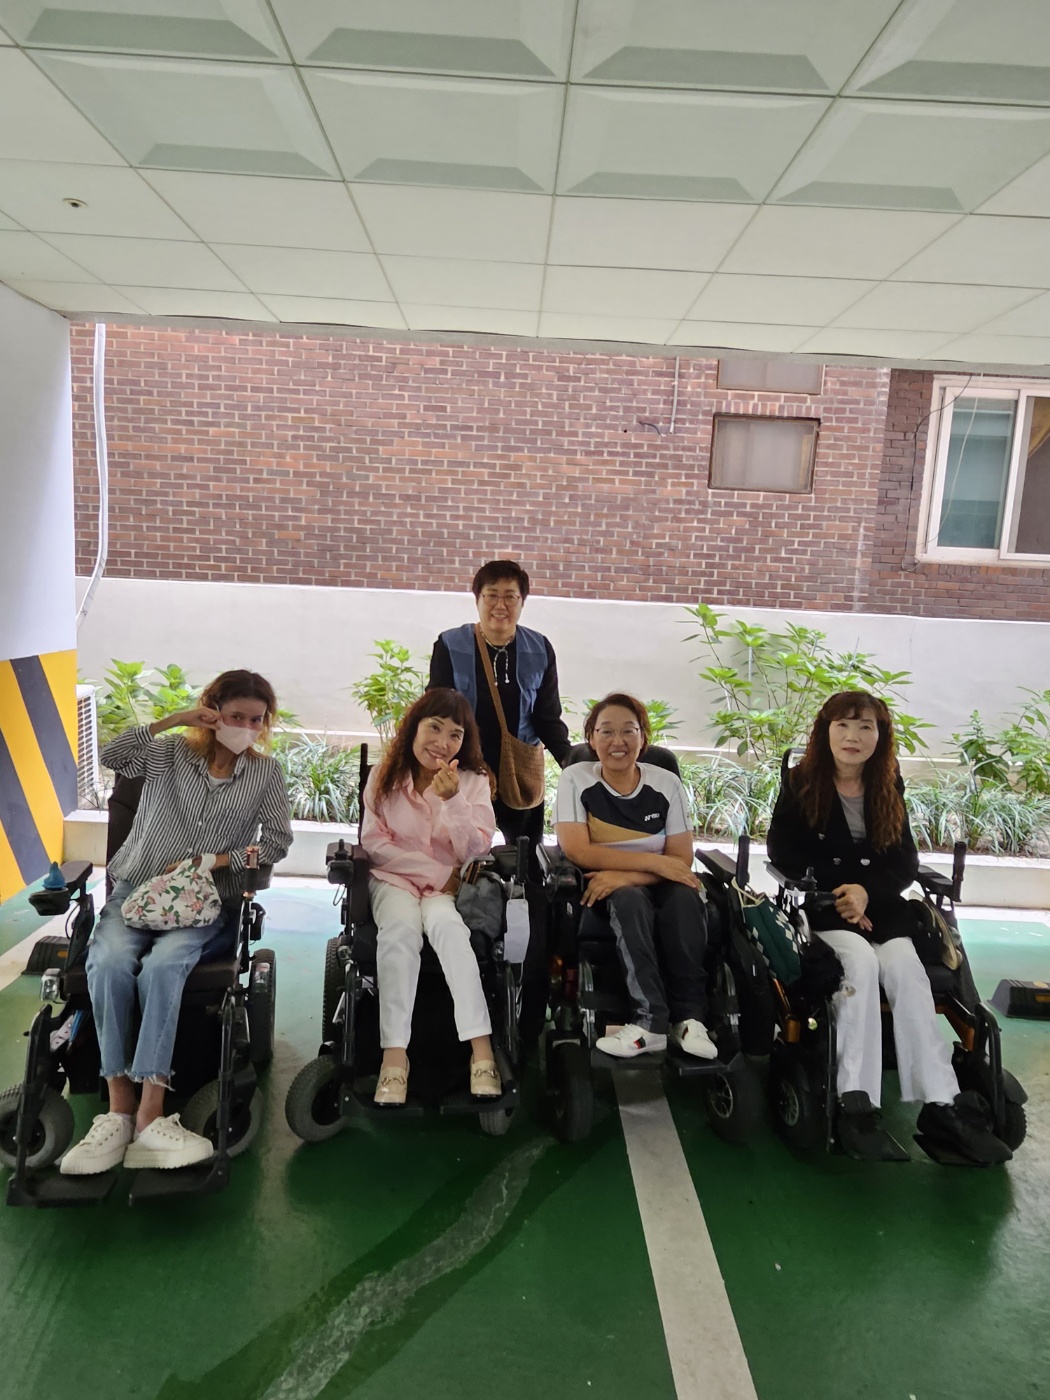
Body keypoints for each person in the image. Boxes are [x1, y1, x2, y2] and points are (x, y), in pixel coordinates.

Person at [60, 669, 293, 1176]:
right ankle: (118, 1111)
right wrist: (175, 720)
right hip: (137, 890)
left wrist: (218, 860)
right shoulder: (169, 754)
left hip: (203, 901)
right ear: (213, 711)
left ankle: (150, 1115)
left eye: (256, 720)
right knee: (109, 962)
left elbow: (277, 842)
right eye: (236, 716)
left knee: (164, 966)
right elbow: (111, 756)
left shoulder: (265, 774)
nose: (246, 727)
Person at [766, 690, 1011, 1165]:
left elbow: (904, 861)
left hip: (880, 908)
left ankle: (941, 1103)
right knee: (858, 964)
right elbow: (783, 853)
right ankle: (856, 1102)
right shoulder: (801, 783)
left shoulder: (886, 782)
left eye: (866, 727)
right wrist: (843, 892)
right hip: (823, 909)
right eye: (843, 725)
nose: (853, 737)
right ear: (825, 731)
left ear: (880, 735)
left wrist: (867, 892)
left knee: (906, 969)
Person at [553, 693, 717, 1060]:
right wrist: (654, 865)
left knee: (685, 897)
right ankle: (650, 1023)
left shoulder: (666, 783)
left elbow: (679, 859)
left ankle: (690, 1020)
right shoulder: (575, 779)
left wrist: (629, 875)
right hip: (603, 886)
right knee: (628, 901)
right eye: (606, 731)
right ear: (591, 738)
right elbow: (578, 850)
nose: (618, 741)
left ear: (643, 738)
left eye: (629, 731)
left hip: (646, 881)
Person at [360, 688, 502, 1107]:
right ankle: (394, 1058)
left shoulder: (473, 782)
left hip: (447, 892)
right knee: (398, 934)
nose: (442, 742)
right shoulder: (385, 776)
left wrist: (453, 801)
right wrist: (437, 873)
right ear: (414, 728)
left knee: (451, 932)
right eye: (434, 728)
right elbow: (374, 844)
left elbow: (475, 850)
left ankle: (481, 1053)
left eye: (455, 734)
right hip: (396, 881)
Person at [428, 560, 572, 859]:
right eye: (491, 595)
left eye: (510, 597)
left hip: (519, 769)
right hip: (464, 766)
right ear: (477, 599)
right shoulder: (451, 644)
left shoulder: (539, 648)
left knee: (526, 857)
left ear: (522, 602)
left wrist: (573, 764)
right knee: (458, 850)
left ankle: (526, 890)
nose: (500, 605)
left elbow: (547, 717)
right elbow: (435, 709)